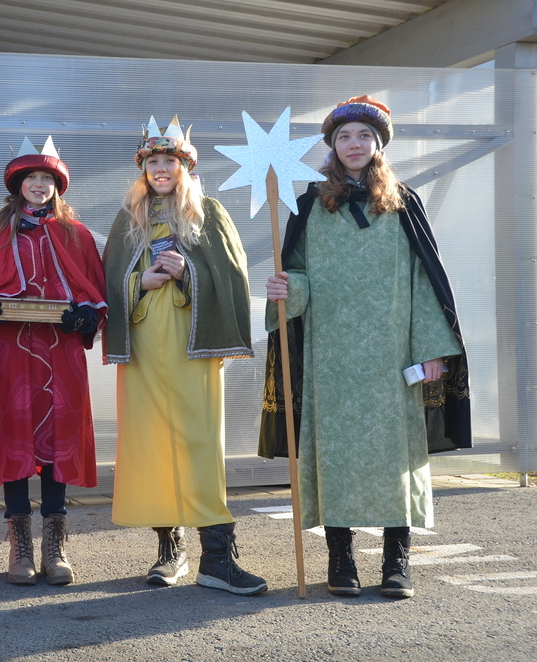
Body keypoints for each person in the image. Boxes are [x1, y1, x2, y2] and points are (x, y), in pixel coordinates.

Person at [263, 95, 470, 599]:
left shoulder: (402, 202)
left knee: (394, 455)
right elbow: (299, 274)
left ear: (378, 144)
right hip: (330, 357)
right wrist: (286, 289)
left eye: (363, 136)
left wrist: (430, 348)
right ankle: (341, 557)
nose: (353, 144)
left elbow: (424, 280)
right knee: (335, 453)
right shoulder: (310, 204)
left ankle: (397, 559)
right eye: (344, 137)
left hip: (391, 356)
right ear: (332, 145)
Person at [102, 116, 266, 595]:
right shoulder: (128, 218)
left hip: (193, 347)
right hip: (143, 348)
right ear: (143, 167)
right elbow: (107, 281)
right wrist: (141, 280)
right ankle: (169, 550)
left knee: (199, 444)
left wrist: (187, 271)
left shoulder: (208, 213)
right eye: (152, 160)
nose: (160, 168)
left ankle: (216, 557)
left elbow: (232, 278)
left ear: (185, 167)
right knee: (151, 443)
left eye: (169, 161)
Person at [0, 136, 107, 586]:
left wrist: (86, 315)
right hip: (11, 353)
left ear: (57, 185)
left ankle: (54, 544)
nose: (39, 185)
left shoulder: (77, 234)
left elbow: (95, 290)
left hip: (61, 352)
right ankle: (19, 544)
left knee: (59, 439)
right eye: (31, 178)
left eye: (47, 178)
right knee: (15, 439)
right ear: (18, 184)